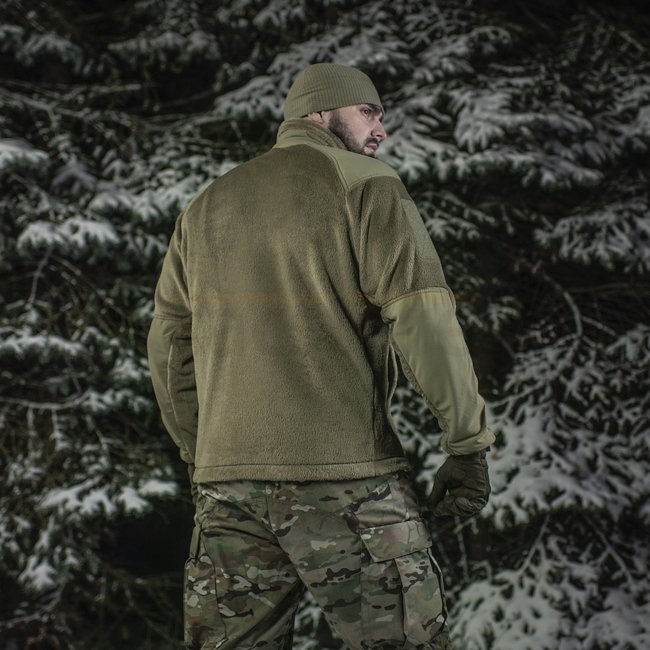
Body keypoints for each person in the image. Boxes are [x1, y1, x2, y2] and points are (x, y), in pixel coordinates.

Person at [147, 62, 495, 650]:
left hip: (228, 490)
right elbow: (423, 319)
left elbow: (168, 343)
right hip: (349, 480)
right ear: (320, 112)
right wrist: (467, 443)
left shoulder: (206, 205)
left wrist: (201, 451)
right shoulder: (366, 183)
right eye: (368, 112)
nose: (381, 129)